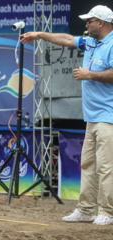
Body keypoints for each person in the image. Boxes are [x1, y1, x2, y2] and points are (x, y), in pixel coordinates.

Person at [20, 5, 113, 226]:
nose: (86, 24)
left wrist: (89, 74)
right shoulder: (91, 41)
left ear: (101, 22)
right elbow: (66, 39)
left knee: (106, 167)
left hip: (108, 117)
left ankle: (108, 212)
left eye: (89, 21)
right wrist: (39, 34)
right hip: (92, 118)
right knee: (89, 165)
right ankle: (86, 209)